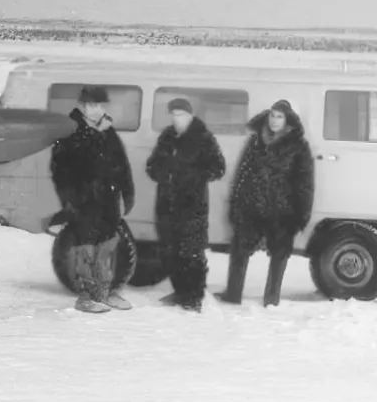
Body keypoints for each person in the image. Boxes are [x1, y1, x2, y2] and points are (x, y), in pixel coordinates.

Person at [47, 85, 137, 313]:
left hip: (108, 200)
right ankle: (85, 296)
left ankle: (103, 292)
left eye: (98, 105)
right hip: (83, 202)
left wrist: (127, 193)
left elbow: (122, 165)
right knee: (85, 250)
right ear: (82, 106)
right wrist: (69, 200)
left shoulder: (107, 129)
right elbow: (59, 169)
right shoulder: (71, 131)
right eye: (90, 105)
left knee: (106, 247)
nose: (95, 109)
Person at [219, 100, 315, 307]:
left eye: (279, 116)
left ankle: (272, 299)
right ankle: (232, 294)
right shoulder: (255, 141)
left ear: (288, 120)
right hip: (250, 206)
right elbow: (241, 174)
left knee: (279, 254)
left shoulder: (299, 146)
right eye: (272, 115)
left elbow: (305, 183)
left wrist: (301, 213)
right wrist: (236, 203)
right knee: (239, 250)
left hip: (281, 209)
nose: (274, 120)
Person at [144, 98, 225, 312]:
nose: (175, 119)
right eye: (173, 114)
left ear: (190, 116)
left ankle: (194, 295)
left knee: (192, 251)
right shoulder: (167, 137)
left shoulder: (203, 138)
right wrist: (162, 174)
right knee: (170, 251)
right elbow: (152, 166)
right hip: (166, 204)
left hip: (192, 205)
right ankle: (180, 291)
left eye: (180, 114)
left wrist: (192, 176)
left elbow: (218, 167)